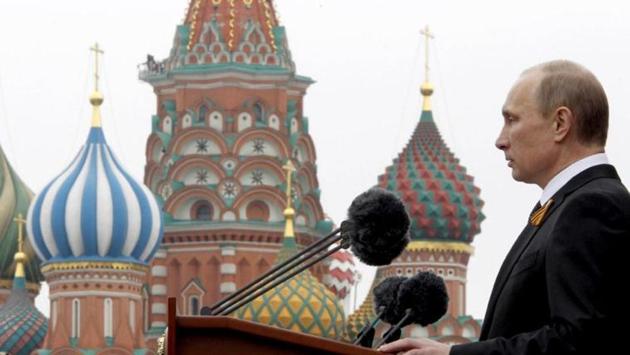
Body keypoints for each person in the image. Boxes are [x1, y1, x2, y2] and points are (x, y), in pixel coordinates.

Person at [379, 60, 630, 355]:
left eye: (512, 120)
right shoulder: (563, 207)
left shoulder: (591, 207)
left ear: (560, 124)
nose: (500, 140)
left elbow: (576, 342)